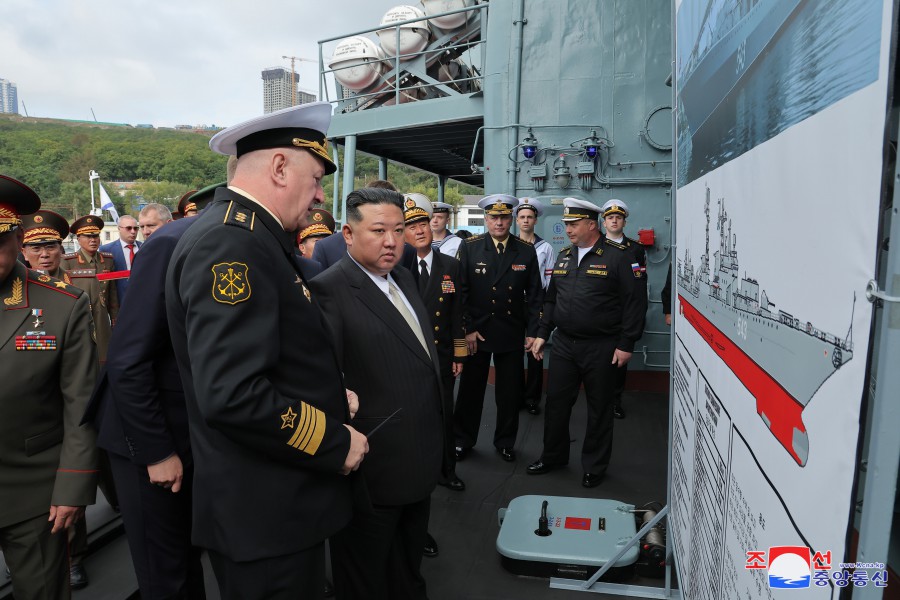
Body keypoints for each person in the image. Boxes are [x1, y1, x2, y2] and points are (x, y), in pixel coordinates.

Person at [165, 102, 367, 600]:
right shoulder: (232, 244)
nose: (321, 196)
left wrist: (328, 394)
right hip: (265, 514)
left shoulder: (249, 234)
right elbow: (233, 395)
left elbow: (271, 356)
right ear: (280, 167)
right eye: (317, 178)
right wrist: (334, 441)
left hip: (272, 508)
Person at [82, 183, 224, 600]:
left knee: (186, 557)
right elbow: (128, 361)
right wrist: (157, 451)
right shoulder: (173, 244)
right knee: (167, 574)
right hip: (144, 436)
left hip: (188, 429)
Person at [310, 187, 445, 600]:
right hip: (372, 471)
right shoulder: (328, 291)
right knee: (364, 577)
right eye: (379, 230)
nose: (392, 241)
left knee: (406, 567)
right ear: (348, 235)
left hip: (419, 459)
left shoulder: (402, 276)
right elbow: (323, 383)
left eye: (399, 230)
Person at [0, 175, 99, 600]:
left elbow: (80, 405)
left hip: (32, 490)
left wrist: (72, 486)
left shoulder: (60, 305)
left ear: (15, 238)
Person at [526, 198, 647, 488]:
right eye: (566, 224)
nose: (567, 229)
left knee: (599, 407)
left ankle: (594, 465)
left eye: (573, 224)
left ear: (592, 225)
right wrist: (543, 333)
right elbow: (552, 299)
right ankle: (553, 456)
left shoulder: (620, 256)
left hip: (602, 346)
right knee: (555, 403)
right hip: (565, 345)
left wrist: (626, 343)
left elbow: (635, 303)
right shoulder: (565, 256)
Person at [452, 194, 543, 463]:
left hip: (510, 331)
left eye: (504, 217)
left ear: (511, 219)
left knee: (509, 393)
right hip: (477, 333)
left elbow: (535, 294)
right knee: (470, 391)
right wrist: (466, 329)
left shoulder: (525, 250)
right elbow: (461, 292)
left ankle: (505, 442)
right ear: (486, 219)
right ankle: (462, 440)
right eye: (494, 217)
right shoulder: (470, 247)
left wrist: (533, 331)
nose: (499, 222)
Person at [403, 193, 466, 490]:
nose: (419, 230)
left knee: (444, 414)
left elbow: (457, 313)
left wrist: (459, 355)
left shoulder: (450, 266)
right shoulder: (398, 268)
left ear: (432, 226)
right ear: (403, 233)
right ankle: (415, 468)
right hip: (408, 355)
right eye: (411, 226)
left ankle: (447, 470)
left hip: (441, 354)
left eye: (423, 224)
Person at [599, 200, 645, 420]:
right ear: (604, 222)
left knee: (619, 363)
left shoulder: (635, 249)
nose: (614, 220)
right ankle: (598, 401)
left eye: (618, 217)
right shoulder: (595, 245)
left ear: (624, 222)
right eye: (610, 218)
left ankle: (615, 401)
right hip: (599, 310)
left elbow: (639, 285)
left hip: (622, 312)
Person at [311, 180, 416, 270]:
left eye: (398, 230)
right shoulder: (325, 248)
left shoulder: (407, 254)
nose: (391, 243)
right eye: (379, 230)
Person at [515, 197, 555, 415]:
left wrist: (544, 307)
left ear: (536, 220)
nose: (526, 221)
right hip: (514, 304)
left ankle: (532, 398)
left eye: (530, 217)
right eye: (522, 217)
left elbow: (549, 281)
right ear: (516, 220)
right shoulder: (512, 245)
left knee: (535, 352)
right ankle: (516, 394)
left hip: (535, 303)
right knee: (513, 351)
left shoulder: (545, 247)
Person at [63, 214, 118, 361]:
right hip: (80, 316)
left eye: (95, 236)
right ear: (78, 239)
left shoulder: (107, 260)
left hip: (102, 317)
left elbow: (112, 292)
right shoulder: (68, 262)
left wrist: (115, 317)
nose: (93, 240)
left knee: (103, 354)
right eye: (87, 236)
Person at [20, 210, 73, 283]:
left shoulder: (81, 282)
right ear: (24, 253)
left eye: (50, 247)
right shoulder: (14, 285)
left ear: (61, 250)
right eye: (36, 248)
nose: (44, 255)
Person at [99, 214, 141, 303]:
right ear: (119, 229)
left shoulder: (145, 247)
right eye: (129, 228)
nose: (133, 231)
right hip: (119, 300)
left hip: (143, 297)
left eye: (136, 228)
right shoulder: (106, 250)